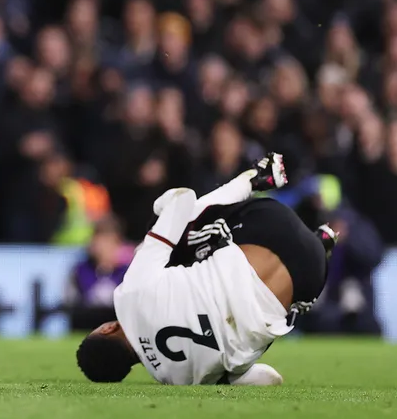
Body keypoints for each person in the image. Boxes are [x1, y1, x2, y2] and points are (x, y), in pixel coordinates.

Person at [76, 153, 336, 385]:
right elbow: (182, 199)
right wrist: (160, 207)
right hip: (273, 229)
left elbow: (264, 376)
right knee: (170, 235)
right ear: (107, 329)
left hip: (311, 279)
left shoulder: (177, 378)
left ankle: (317, 244)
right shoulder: (130, 293)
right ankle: (255, 179)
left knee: (235, 353)